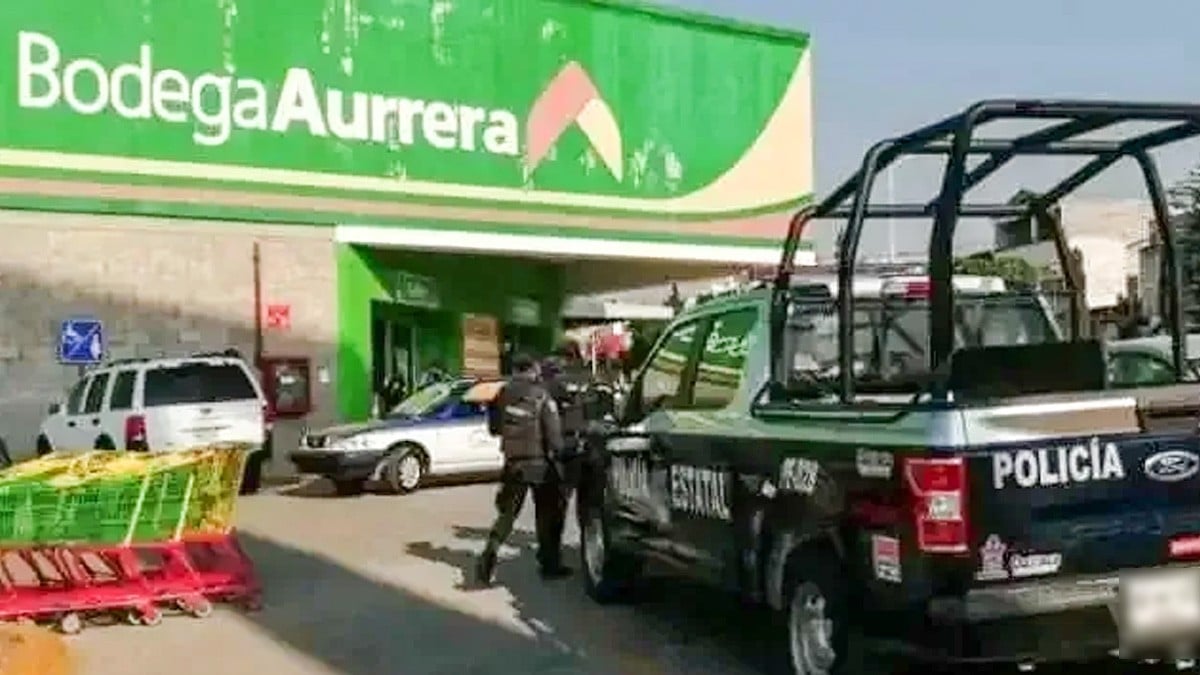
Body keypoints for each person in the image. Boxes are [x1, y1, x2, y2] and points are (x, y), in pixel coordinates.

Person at [475, 353, 570, 586]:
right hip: (539, 463)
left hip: (512, 462)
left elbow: (494, 429)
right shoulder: (541, 395)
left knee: (507, 514)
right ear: (532, 369)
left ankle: (491, 550)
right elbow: (553, 435)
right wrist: (560, 453)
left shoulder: (501, 394)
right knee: (546, 514)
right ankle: (549, 564)